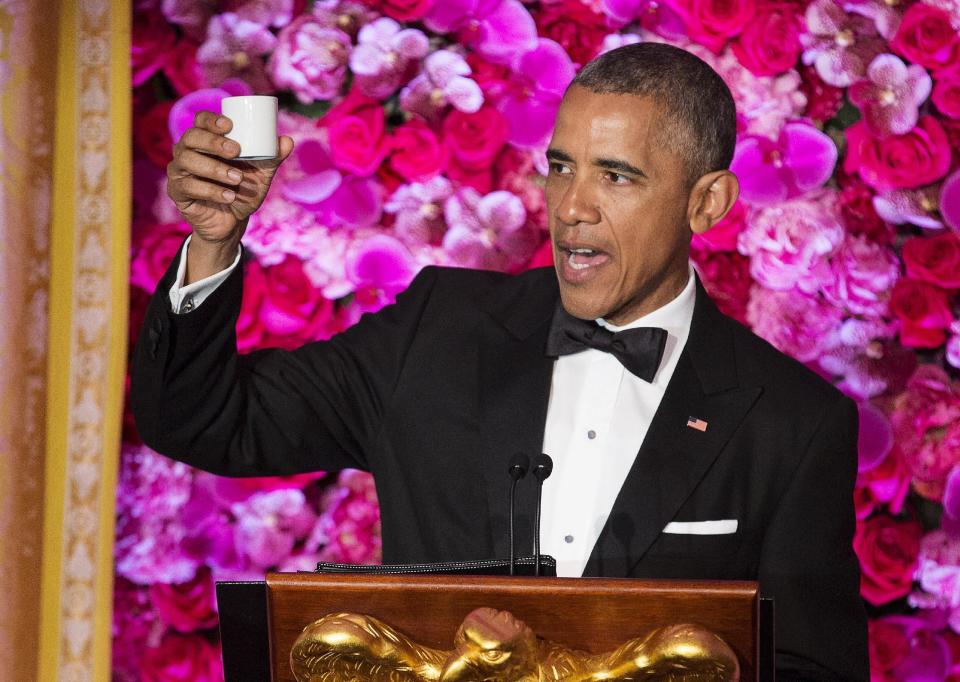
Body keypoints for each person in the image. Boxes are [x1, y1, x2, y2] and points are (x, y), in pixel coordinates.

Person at [132, 43, 868, 680]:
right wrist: (214, 246)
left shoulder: (795, 424)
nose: (572, 205)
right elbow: (206, 422)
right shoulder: (438, 331)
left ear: (707, 202)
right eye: (560, 166)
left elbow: (813, 669)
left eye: (616, 176)